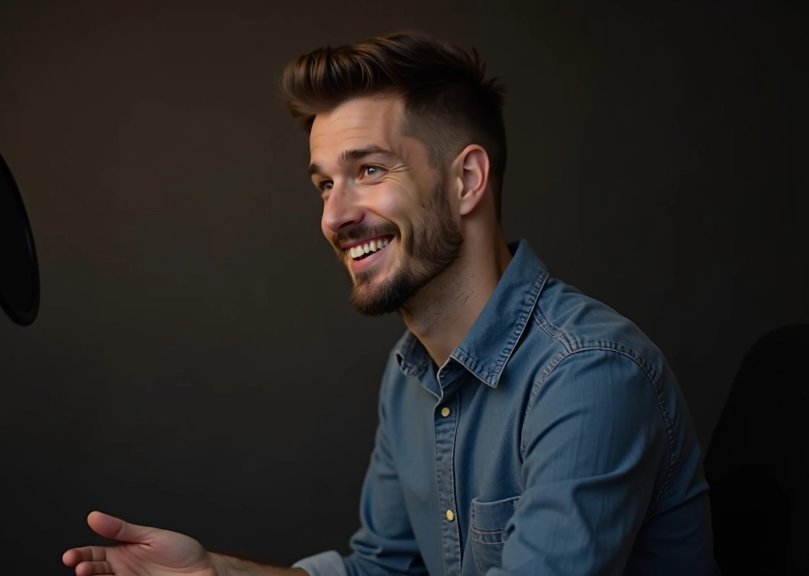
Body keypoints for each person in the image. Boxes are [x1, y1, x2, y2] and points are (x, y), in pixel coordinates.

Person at [62, 31, 717, 576]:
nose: (334, 216)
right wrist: (216, 571)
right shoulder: (411, 375)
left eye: (369, 170)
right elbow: (384, 571)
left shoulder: (588, 373)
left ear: (465, 180)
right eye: (324, 184)